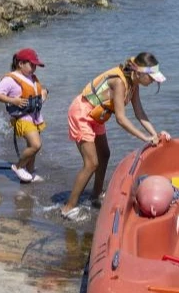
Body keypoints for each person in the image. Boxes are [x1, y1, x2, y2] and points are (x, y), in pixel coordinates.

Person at [63, 52, 170, 221]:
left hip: (96, 116)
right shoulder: (119, 82)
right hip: (82, 113)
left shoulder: (133, 84)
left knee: (105, 154)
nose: (152, 81)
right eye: (151, 78)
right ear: (139, 73)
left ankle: (95, 196)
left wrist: (154, 133)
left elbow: (139, 112)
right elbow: (121, 118)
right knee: (91, 163)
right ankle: (68, 207)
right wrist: (145, 138)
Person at [0, 48, 48, 183]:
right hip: (22, 117)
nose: (34, 68)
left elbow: (34, 93)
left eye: (35, 66)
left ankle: (29, 173)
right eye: (31, 65)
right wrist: (13, 101)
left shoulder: (31, 77)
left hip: (34, 116)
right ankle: (18, 166)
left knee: (32, 147)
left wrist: (43, 94)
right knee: (35, 145)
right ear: (20, 64)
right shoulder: (10, 79)